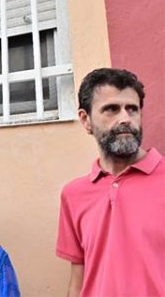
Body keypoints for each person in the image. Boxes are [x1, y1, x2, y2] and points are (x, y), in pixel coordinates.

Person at [56, 68, 164, 296]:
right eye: (111, 109)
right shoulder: (73, 194)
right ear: (86, 120)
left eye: (132, 109)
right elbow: (78, 279)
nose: (125, 118)